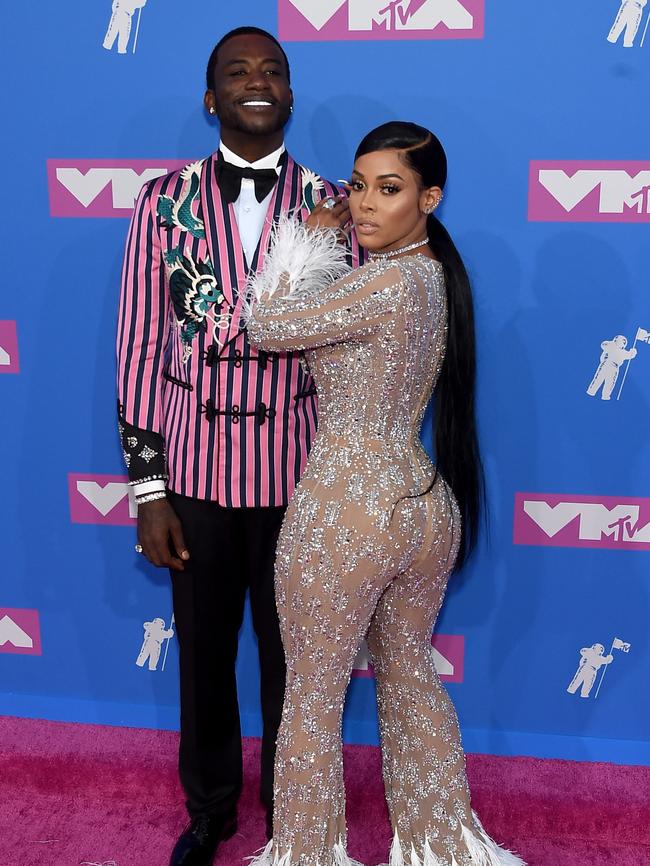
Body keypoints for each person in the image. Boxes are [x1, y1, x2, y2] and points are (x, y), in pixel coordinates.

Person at [244, 122, 525, 865]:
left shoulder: (386, 281)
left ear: (431, 198)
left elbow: (264, 323)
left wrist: (304, 241)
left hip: (347, 510)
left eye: (389, 189)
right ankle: (444, 848)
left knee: (310, 697)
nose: (365, 205)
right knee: (410, 685)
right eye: (358, 186)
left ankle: (304, 856)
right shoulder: (431, 277)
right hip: (424, 506)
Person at [115, 27, 358, 866]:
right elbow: (142, 347)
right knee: (206, 661)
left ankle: (297, 815)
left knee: (298, 667)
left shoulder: (334, 205)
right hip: (195, 474)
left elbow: (351, 354)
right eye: (237, 72)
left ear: (291, 95)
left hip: (302, 476)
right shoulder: (161, 202)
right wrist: (150, 492)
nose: (258, 82)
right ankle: (210, 810)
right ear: (210, 97)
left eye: (273, 71)